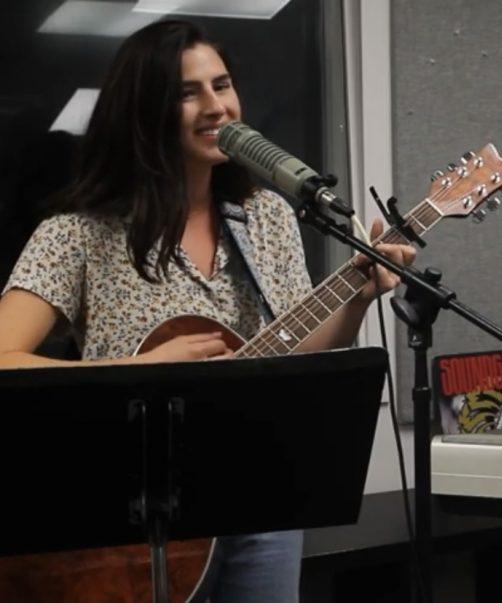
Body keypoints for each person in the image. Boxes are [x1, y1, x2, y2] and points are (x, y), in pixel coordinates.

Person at [0, 20, 414, 602]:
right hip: (135, 517)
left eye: (222, 85)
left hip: (259, 489)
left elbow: (290, 345)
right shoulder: (77, 234)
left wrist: (358, 297)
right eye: (188, 92)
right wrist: (137, 372)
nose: (217, 106)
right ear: (142, 112)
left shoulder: (266, 214)